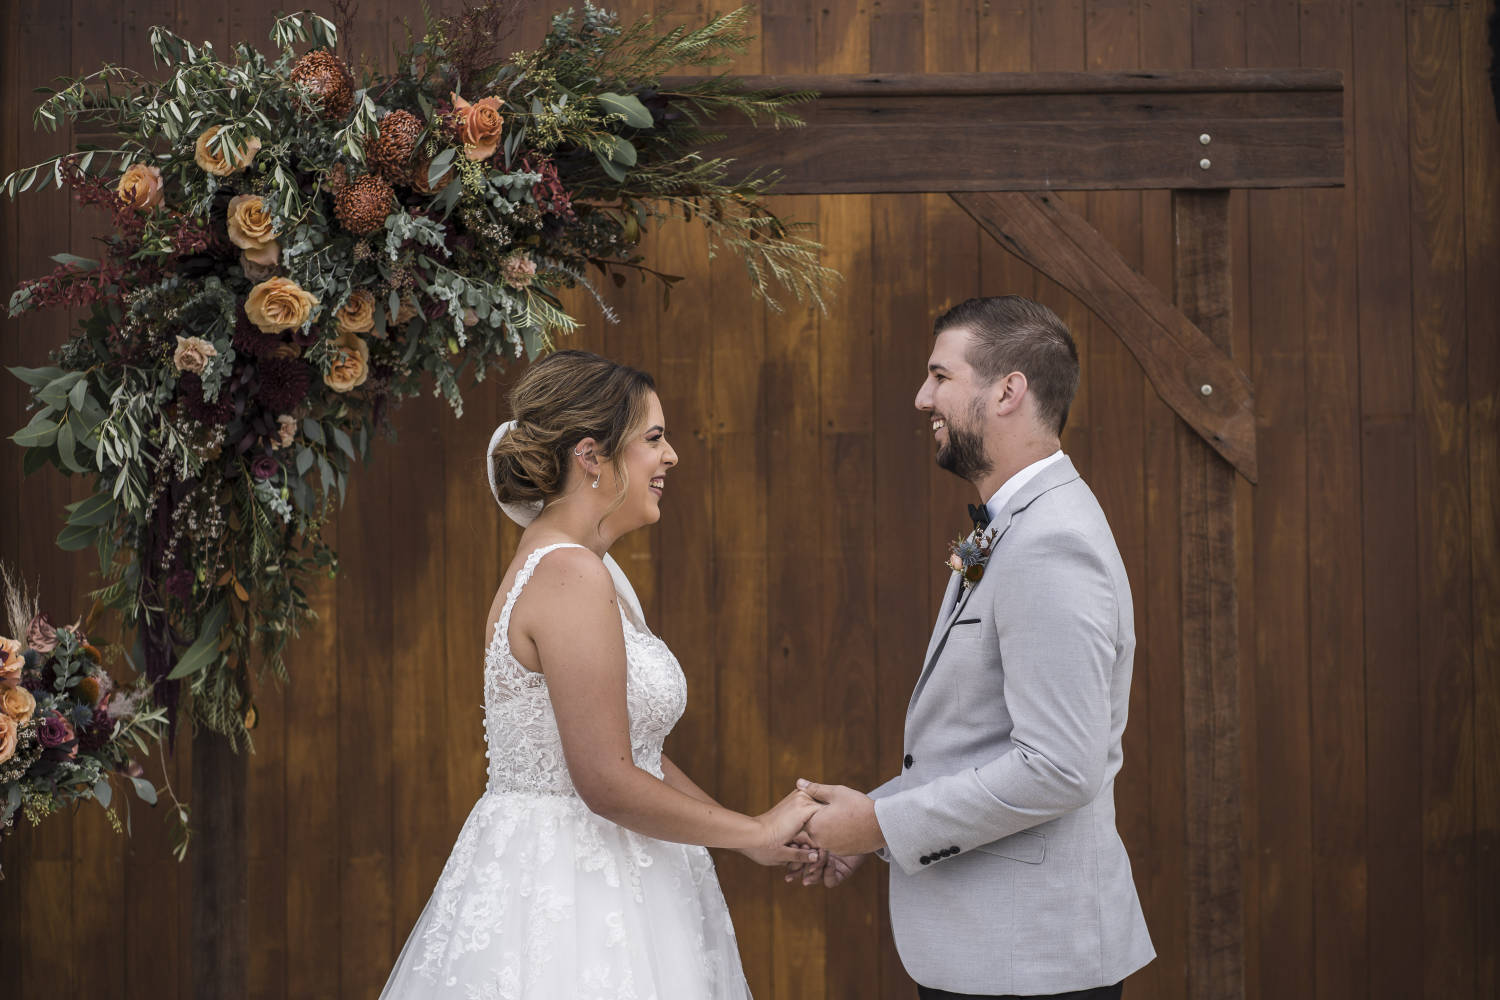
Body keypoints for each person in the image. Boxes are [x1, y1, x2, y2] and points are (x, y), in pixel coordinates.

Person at [380, 349, 820, 999]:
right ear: (592, 456)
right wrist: (752, 832)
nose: (670, 456)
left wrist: (746, 834)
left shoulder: (573, 563)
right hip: (572, 884)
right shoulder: (570, 572)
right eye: (653, 438)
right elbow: (606, 780)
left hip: (620, 864)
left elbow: (632, 752)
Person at [789, 297, 1155, 999]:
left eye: (941, 376)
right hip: (1000, 953)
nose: (923, 396)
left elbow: (1057, 766)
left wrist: (878, 825)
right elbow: (983, 741)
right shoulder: (1017, 525)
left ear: (1008, 390)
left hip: (1029, 961)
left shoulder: (1052, 542)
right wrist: (873, 817)